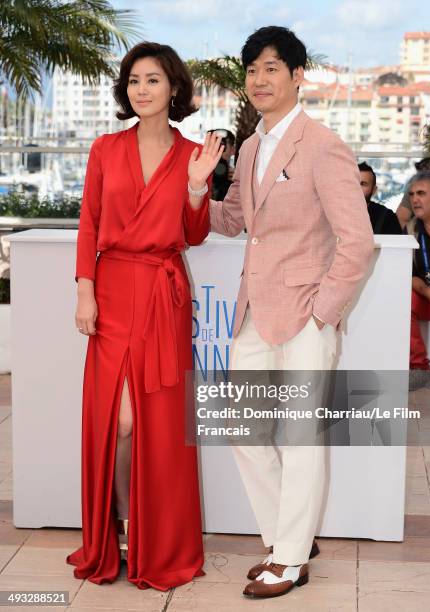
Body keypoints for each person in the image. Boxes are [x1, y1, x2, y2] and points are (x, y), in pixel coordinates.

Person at [208, 26, 374, 599]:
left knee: (302, 438)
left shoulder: (323, 144)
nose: (259, 79)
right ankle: (290, 537)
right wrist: (188, 188)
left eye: (271, 68)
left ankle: (290, 557)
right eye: (252, 69)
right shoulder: (250, 147)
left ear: (297, 75)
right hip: (253, 311)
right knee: (244, 429)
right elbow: (232, 221)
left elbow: (358, 242)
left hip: (305, 313)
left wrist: (323, 313)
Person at [66, 41, 223, 590]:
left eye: (153, 79)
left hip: (163, 295)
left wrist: (200, 186)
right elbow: (89, 223)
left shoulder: (189, 154)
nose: (142, 89)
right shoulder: (105, 148)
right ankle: (119, 530)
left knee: (156, 424)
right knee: (119, 420)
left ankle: (157, 540)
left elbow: (196, 233)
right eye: (134, 80)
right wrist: (85, 292)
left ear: (174, 88)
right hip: (111, 292)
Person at [405, 171, 430, 391]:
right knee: (404, 299)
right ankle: (419, 368)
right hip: (429, 296)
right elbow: (409, 274)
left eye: (421, 193)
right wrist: (428, 292)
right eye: (412, 194)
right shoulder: (411, 230)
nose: (415, 199)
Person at [358, 162, 402, 234]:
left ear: (374, 190)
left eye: (363, 184)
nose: (357, 187)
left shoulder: (387, 217)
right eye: (354, 183)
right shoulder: (335, 214)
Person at [396, 158, 430, 228]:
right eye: (419, 177)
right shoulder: (414, 191)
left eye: (429, 178)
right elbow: (402, 217)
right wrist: (414, 236)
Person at [207, 129, 236, 200]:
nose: (217, 147)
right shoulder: (197, 172)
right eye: (214, 142)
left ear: (233, 149)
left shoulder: (237, 177)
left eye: (221, 144)